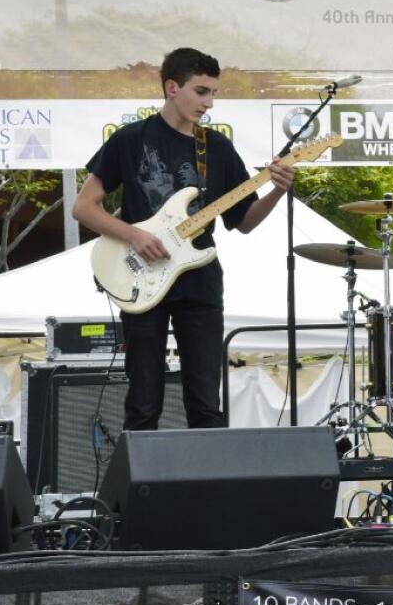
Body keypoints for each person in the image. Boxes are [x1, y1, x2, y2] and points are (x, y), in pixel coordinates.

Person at [74, 47, 294, 430]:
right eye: (201, 91)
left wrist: (276, 189)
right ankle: (139, 488)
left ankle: (206, 489)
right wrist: (134, 235)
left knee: (206, 404)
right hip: (141, 277)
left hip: (200, 281)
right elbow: (84, 207)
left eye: (213, 93)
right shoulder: (130, 139)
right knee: (143, 402)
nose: (208, 103)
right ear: (172, 87)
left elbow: (243, 222)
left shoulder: (218, 148)